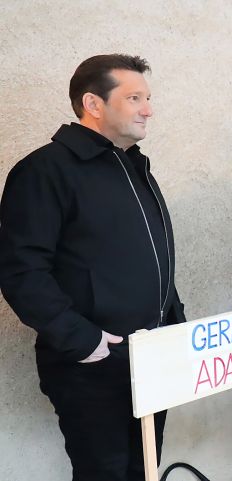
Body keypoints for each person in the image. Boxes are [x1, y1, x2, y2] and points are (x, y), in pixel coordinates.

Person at [0, 54, 186, 481]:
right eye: (134, 97)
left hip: (151, 359)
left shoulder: (135, 166)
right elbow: (21, 271)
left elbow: (155, 259)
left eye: (148, 97)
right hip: (93, 364)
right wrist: (84, 341)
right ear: (93, 103)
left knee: (145, 470)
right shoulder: (44, 171)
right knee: (104, 474)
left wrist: (175, 326)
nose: (148, 109)